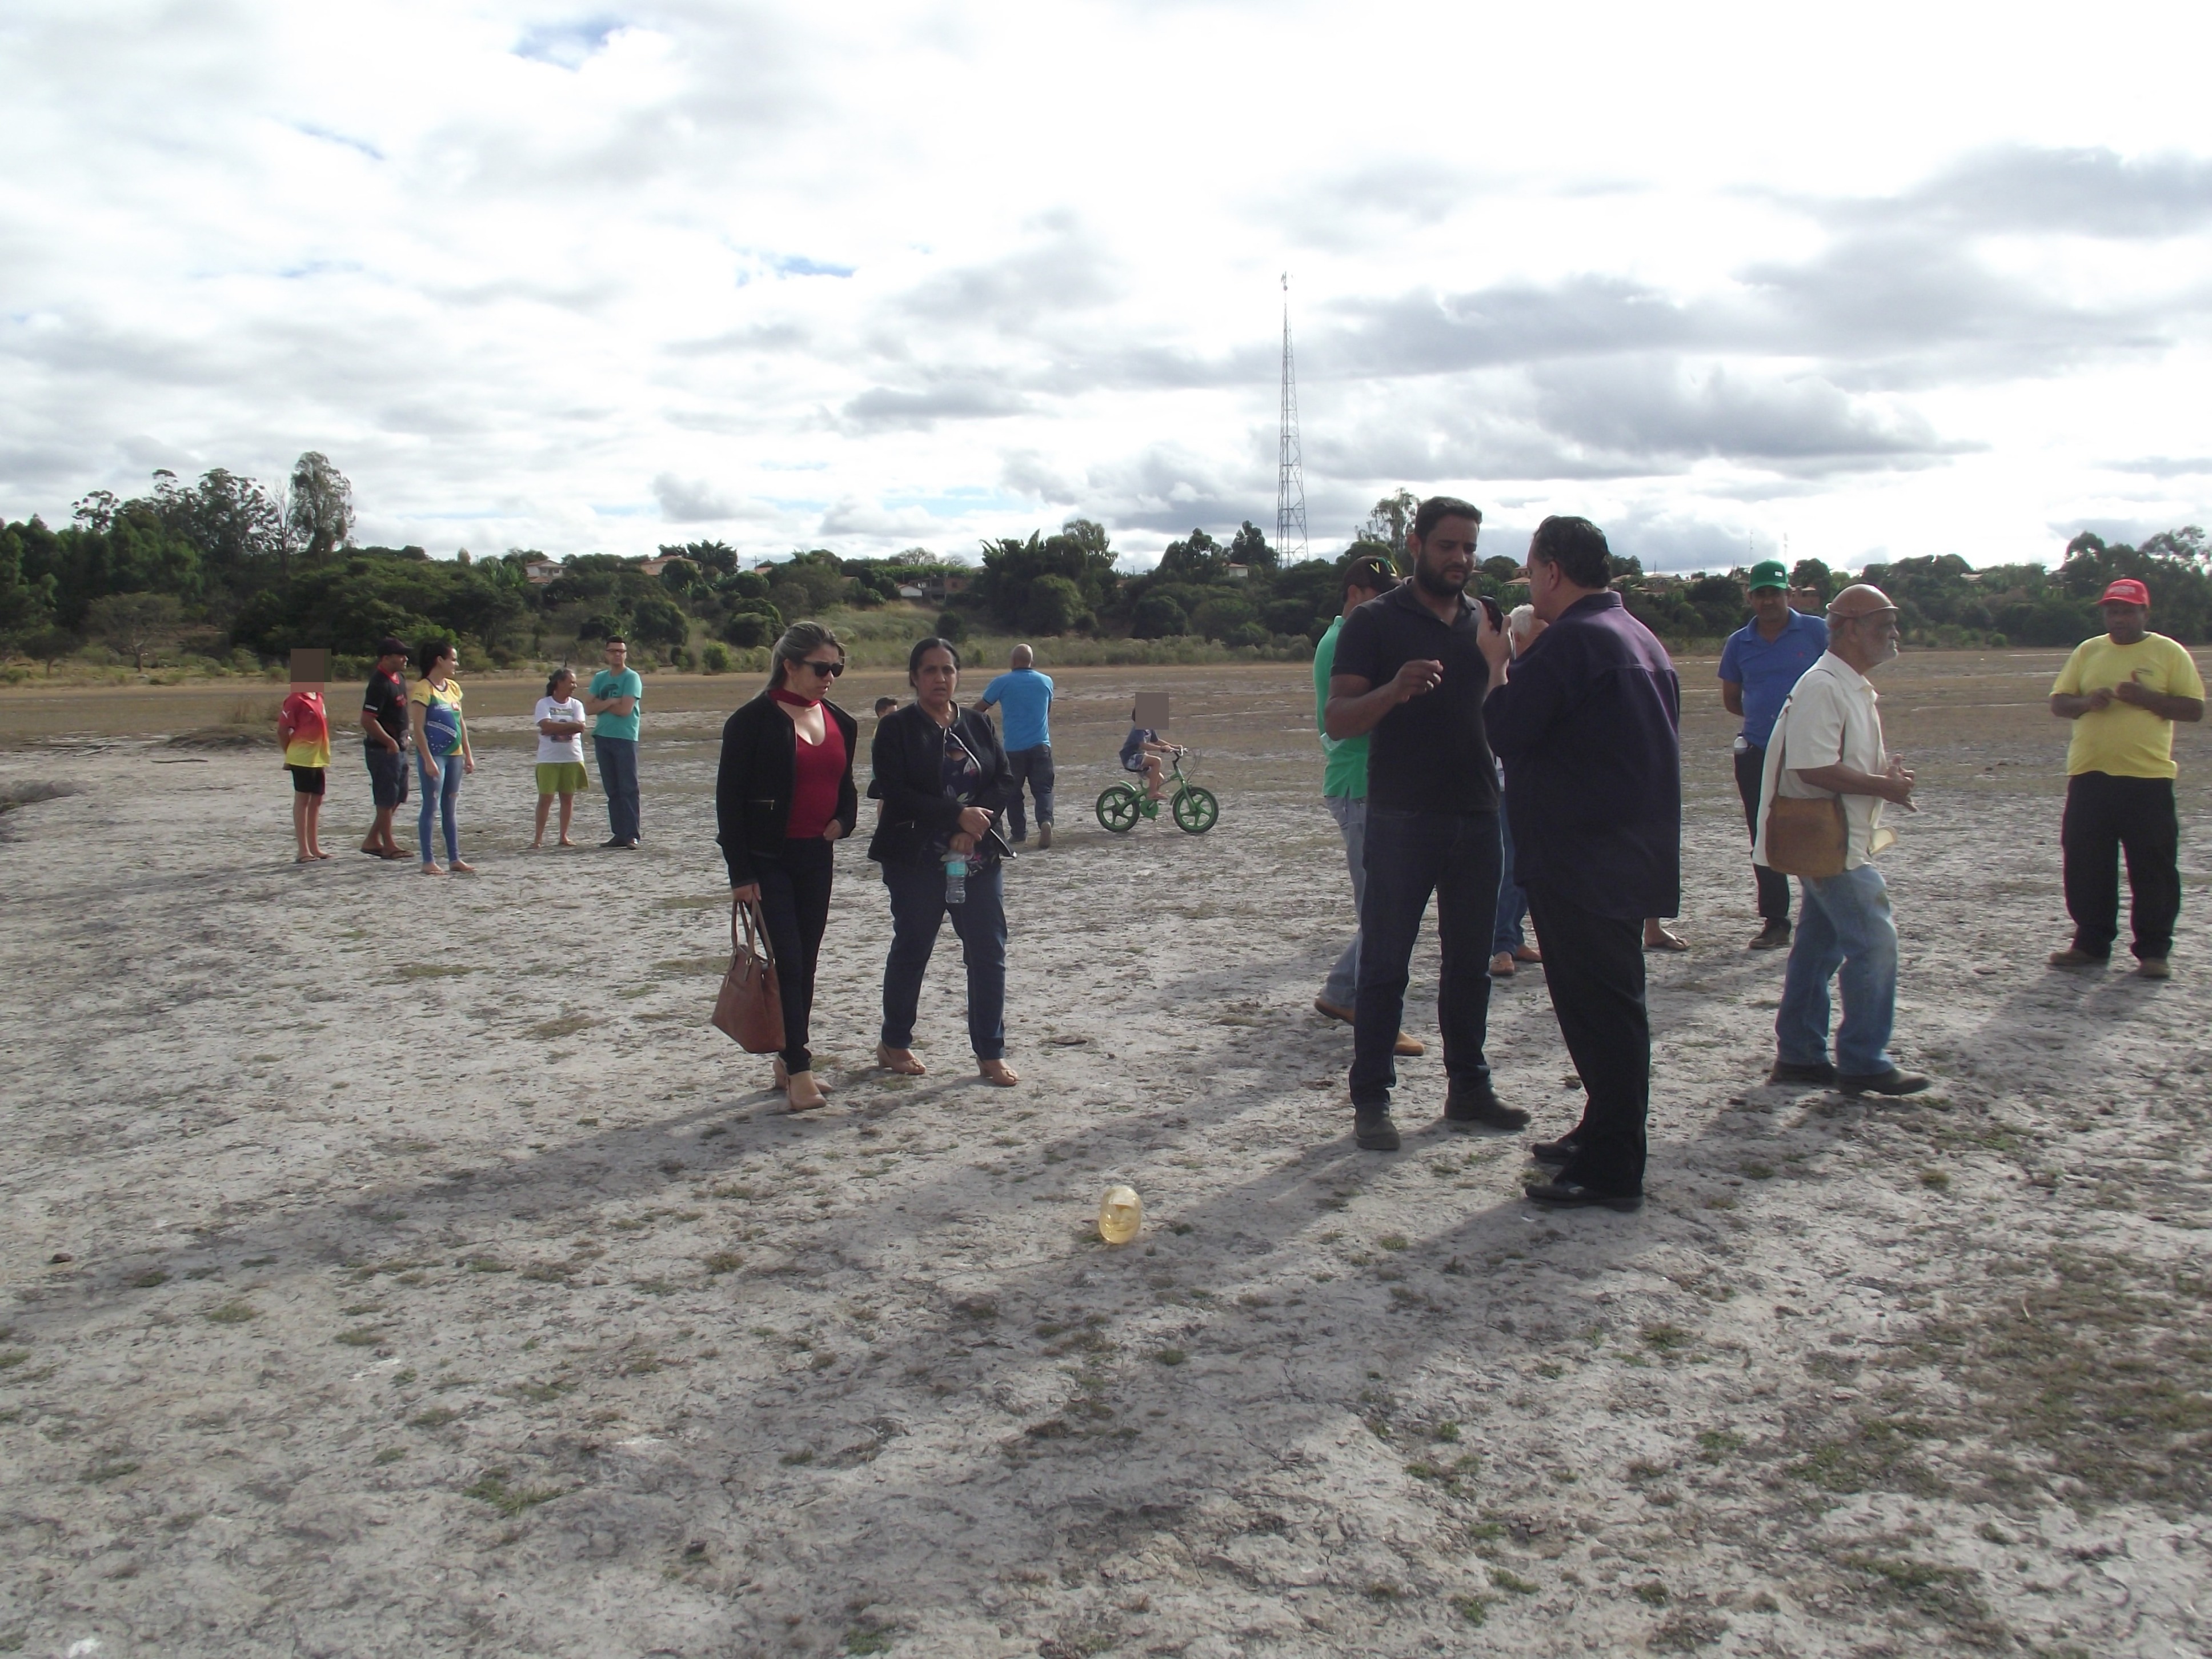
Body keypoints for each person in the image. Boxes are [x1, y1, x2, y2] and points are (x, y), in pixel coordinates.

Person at [1481, 516, 1681, 1211]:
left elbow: (1507, 729)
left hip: (1583, 859)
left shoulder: (1574, 641)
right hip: (1625, 852)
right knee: (1607, 1010)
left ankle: (1613, 1168)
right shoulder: (1637, 636)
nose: (1529, 583)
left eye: (1530, 569)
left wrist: (1495, 665)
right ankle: (1602, 1130)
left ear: (1552, 571)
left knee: (1602, 1016)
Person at [1324, 495, 1523, 1151]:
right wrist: (1393, 690)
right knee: (1385, 965)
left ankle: (1468, 1087)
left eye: (1468, 547)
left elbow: (1502, 709)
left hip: (1477, 811)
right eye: (1447, 546)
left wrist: (1498, 665)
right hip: (1401, 816)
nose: (1460, 558)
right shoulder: (1374, 621)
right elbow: (1337, 718)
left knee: (1469, 966)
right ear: (1415, 544)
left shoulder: (1484, 619)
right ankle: (1371, 1099)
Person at [1755, 584, 1926, 1096]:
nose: (1894, 633)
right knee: (1875, 943)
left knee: (1819, 946)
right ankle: (1863, 1060)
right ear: (1850, 628)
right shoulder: (1825, 686)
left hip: (1834, 838)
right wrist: (1883, 787)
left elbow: (1828, 761)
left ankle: (1800, 1054)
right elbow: (1812, 768)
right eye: (1884, 624)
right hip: (1831, 841)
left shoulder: (1845, 685)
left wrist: (1883, 779)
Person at [718, 621, 859, 1111]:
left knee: (807, 962)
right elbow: (729, 802)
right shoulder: (751, 722)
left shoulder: (842, 721)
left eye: (837, 669)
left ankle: (787, 1059)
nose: (830, 677)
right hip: (767, 862)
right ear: (790, 665)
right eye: (822, 668)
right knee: (790, 961)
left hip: (816, 858)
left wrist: (845, 821)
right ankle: (799, 1068)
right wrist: (741, 875)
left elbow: (845, 787)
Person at [868, 638, 1019, 1086]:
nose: (940, 678)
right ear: (914, 678)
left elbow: (1004, 779)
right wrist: (955, 815)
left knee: (988, 952)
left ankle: (990, 1052)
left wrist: (973, 827)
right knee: (913, 948)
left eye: (948, 670)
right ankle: (895, 1042)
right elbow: (895, 791)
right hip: (917, 860)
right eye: (930, 670)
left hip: (976, 857)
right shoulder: (896, 729)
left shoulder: (978, 723)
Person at [2046, 578, 2205, 979]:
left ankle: (2154, 951)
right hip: (2090, 775)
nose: (2119, 619)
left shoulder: (2169, 652)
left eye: (2128, 612)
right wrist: (2088, 702)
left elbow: (2193, 710)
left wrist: (2146, 698)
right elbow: (2060, 703)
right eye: (2113, 611)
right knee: (2086, 863)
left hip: (2147, 779)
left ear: (2144, 613)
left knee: (2153, 867)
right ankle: (2090, 943)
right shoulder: (2089, 650)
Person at [1311, 554, 1424, 1060]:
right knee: (1383, 914)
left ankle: (1343, 991)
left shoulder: (1353, 636)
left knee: (1383, 911)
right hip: (1359, 783)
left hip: (1365, 783)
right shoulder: (1345, 641)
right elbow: (1353, 715)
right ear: (1354, 593)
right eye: (1381, 595)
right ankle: (1372, 1013)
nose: (1388, 605)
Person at [1718, 559, 1830, 949]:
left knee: (1816, 828)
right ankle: (1776, 921)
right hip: (1758, 750)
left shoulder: (1816, 632)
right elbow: (1732, 698)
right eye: (1761, 594)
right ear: (1751, 598)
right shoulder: (1739, 643)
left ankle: (1824, 913)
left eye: (1776, 593)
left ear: (1789, 594)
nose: (1769, 601)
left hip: (1811, 752)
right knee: (1764, 835)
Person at [1489, 604, 1544, 979]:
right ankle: (1501, 945)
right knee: (1509, 867)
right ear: (1519, 638)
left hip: (1530, 784)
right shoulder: (1503, 675)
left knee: (1528, 864)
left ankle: (1514, 935)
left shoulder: (1538, 673)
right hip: (1504, 786)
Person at [978, 644, 1056, 847]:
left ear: (1013, 661)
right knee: (1044, 789)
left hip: (1014, 748)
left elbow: (981, 709)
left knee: (1013, 792)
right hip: (1041, 745)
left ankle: (1019, 832)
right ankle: (1046, 821)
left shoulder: (1002, 682)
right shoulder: (1046, 681)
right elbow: (1047, 710)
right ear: (1031, 661)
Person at [408, 639, 475, 875]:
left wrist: (468, 754)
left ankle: (454, 858)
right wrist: (427, 759)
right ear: (440, 661)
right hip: (435, 755)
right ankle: (428, 860)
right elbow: (418, 728)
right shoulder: (423, 689)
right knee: (431, 806)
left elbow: (460, 723)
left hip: (455, 755)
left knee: (450, 808)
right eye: (453, 659)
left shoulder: (454, 688)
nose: (456, 664)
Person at [584, 637, 644, 849]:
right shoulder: (600, 678)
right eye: (613, 651)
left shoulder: (631, 678)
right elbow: (588, 708)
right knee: (613, 789)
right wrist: (611, 701)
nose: (617, 655)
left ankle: (632, 835)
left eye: (621, 651)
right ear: (607, 654)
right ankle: (619, 833)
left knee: (628, 787)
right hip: (603, 736)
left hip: (625, 737)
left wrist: (602, 704)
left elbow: (625, 710)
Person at [359, 636, 411, 860]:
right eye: (400, 655)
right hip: (382, 750)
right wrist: (389, 741)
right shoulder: (379, 683)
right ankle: (389, 844)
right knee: (386, 797)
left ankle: (372, 839)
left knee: (400, 794)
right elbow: (367, 719)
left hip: (400, 747)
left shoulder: (400, 678)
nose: (405, 659)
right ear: (386, 658)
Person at [531, 667, 590, 849]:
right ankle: (538, 838)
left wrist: (556, 727)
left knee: (568, 798)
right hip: (548, 758)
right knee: (546, 798)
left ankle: (563, 836)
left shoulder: (576, 705)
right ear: (559, 683)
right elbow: (545, 727)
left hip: (572, 757)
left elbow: (581, 727)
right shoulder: (544, 704)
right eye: (571, 682)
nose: (575, 686)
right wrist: (569, 726)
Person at [278, 674, 331, 862]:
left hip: (319, 757)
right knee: (302, 801)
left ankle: (315, 847)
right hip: (301, 756)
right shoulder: (295, 699)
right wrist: (289, 754)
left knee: (317, 800)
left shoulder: (318, 696)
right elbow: (282, 730)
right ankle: (303, 850)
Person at [1119, 718, 1176, 802]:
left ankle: (1149, 803)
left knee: (1160, 779)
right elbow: (1143, 745)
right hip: (1130, 758)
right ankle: (1152, 793)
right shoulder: (1138, 728)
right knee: (1156, 761)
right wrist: (1161, 748)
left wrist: (1175, 747)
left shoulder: (1149, 728)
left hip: (1140, 758)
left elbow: (1157, 741)